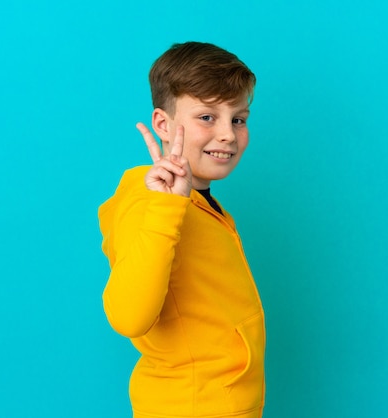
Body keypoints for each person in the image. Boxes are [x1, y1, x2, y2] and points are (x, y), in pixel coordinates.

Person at [98, 41, 265, 418]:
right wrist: (166, 207)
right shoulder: (151, 203)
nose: (227, 134)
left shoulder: (200, 200)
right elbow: (128, 317)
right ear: (163, 124)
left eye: (238, 119)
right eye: (207, 117)